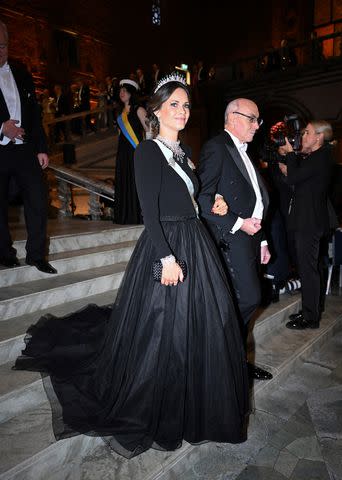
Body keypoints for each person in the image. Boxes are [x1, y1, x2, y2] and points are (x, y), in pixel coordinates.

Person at [14, 73, 249, 459]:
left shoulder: (184, 152)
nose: (182, 111)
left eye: (186, 105)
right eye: (174, 104)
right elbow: (150, 213)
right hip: (167, 247)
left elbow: (189, 201)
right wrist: (167, 258)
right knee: (162, 332)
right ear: (156, 110)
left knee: (202, 325)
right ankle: (159, 403)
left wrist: (213, 204)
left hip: (196, 240)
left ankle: (194, 401)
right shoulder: (148, 151)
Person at [198, 98, 273, 380]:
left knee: (247, 300)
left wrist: (263, 239)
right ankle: (225, 359)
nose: (257, 125)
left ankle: (234, 360)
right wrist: (239, 224)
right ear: (232, 117)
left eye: (258, 120)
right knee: (250, 298)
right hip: (232, 238)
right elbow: (203, 200)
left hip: (251, 238)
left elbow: (255, 200)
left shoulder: (244, 151)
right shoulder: (217, 147)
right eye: (252, 119)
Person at [0, 20, 56, 274]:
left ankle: (36, 255)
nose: (0, 50)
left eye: (3, 45)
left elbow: (34, 111)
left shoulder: (21, 71)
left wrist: (41, 147)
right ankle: (4, 253)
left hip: (25, 148)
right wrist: (2, 127)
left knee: (37, 198)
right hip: (0, 149)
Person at [279, 121, 336, 329]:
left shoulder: (321, 157)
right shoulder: (318, 157)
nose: (303, 136)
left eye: (307, 132)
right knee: (310, 267)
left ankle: (310, 318)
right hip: (309, 220)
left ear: (319, 136)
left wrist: (291, 154)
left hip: (309, 222)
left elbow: (294, 177)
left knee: (308, 269)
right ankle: (310, 310)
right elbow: (299, 181)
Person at [114, 79, 148, 224]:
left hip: (136, 151)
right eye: (120, 91)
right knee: (125, 180)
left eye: (125, 91)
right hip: (123, 153)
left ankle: (137, 215)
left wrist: (147, 151)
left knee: (136, 182)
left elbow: (150, 130)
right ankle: (125, 215)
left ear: (131, 93)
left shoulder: (139, 109)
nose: (121, 93)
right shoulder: (120, 113)